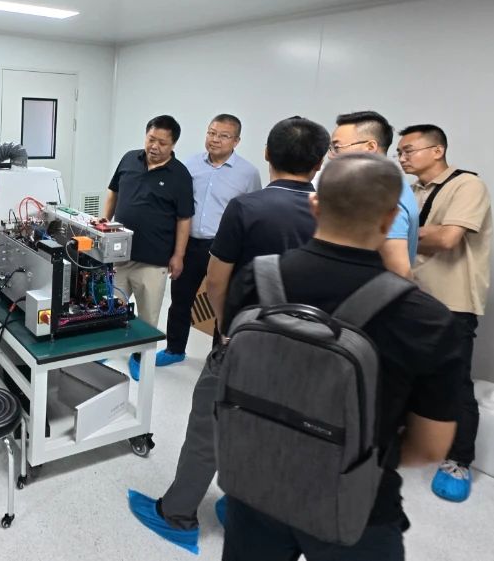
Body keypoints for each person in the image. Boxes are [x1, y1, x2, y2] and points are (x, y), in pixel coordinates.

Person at [220, 154, 465, 561]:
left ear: (314, 205)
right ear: (391, 218)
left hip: (254, 483)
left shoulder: (256, 279)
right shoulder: (425, 319)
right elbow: (430, 448)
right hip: (355, 507)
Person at [126, 116, 330, 554]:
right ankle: (241, 509)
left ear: (266, 153)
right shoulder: (334, 213)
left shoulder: (249, 206)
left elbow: (217, 281)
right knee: (267, 435)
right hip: (305, 351)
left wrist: (224, 329)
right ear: (319, 162)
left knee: (208, 428)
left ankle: (177, 515)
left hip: (247, 341)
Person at [397, 124, 493, 504]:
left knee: (454, 383)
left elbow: (448, 238)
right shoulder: (409, 191)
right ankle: (407, 438)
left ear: (437, 151)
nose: (402, 157)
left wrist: (395, 231)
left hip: (452, 303)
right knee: (403, 373)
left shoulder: (467, 185)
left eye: (408, 150)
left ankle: (458, 461)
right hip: (409, 296)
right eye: (399, 152)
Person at [158, 114, 261, 370]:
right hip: (190, 244)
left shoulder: (248, 173)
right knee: (180, 299)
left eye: (223, 136)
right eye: (211, 133)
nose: (215, 139)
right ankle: (174, 349)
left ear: (236, 141)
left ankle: (218, 356)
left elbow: (253, 212)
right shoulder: (190, 164)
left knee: (222, 304)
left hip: (224, 248)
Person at [104, 115, 194, 381]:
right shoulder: (129, 159)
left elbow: (184, 219)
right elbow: (113, 192)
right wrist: (102, 226)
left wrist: (178, 255)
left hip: (154, 258)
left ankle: (138, 357)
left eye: (162, 143)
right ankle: (106, 348)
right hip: (119, 253)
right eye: (151, 139)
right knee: (110, 306)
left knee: (147, 317)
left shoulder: (180, 175)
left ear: (173, 144)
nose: (154, 146)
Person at [330, 111, 418, 277]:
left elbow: (399, 270)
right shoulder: (384, 185)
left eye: (337, 147)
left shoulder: (382, 194)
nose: (331, 156)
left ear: (370, 147)